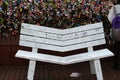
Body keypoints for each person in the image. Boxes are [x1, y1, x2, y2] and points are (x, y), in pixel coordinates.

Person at [108, 0, 120, 70]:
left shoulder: (114, 8)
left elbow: (109, 18)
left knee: (116, 48)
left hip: (117, 31)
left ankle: (116, 65)